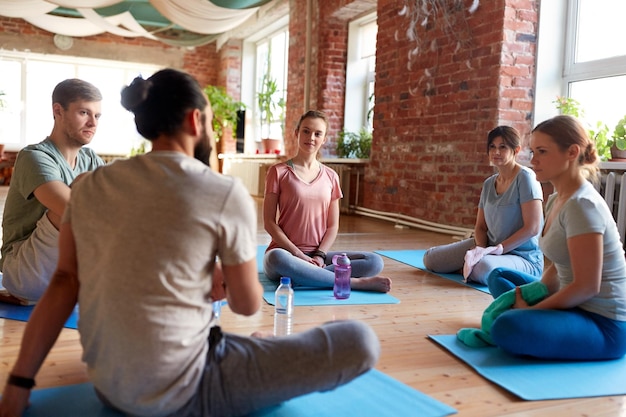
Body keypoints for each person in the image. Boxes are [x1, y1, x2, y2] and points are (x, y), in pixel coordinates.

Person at [0, 69, 380, 417]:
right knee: (359, 340)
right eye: (211, 121)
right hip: (189, 391)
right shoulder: (225, 192)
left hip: (109, 387)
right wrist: (211, 276)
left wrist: (18, 382)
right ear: (195, 120)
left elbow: (64, 283)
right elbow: (247, 304)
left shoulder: (88, 184)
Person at [489, 115, 626, 360]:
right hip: (572, 301)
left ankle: (531, 322)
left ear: (572, 152)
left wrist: (531, 310)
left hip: (604, 324)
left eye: (542, 151)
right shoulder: (556, 198)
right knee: (499, 276)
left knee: (506, 326)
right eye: (532, 152)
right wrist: (533, 297)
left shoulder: (582, 205)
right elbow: (558, 263)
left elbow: (587, 286)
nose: (534, 160)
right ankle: (538, 322)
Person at [0, 79, 105, 305]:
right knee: (85, 189)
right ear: (58, 110)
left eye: (97, 116)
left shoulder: (91, 159)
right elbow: (70, 211)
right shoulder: (34, 156)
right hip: (25, 270)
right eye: (84, 112)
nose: (92, 123)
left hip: (69, 271)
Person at [263, 110, 391, 293]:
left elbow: (332, 226)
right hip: (286, 254)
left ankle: (306, 277)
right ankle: (352, 283)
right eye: (306, 131)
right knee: (276, 258)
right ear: (296, 133)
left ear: (324, 139)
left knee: (374, 261)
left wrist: (320, 256)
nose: (311, 137)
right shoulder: (278, 172)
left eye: (317, 133)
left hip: (317, 255)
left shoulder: (331, 177)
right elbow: (269, 223)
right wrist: (298, 255)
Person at [422, 126, 544, 297]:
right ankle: (469, 267)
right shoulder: (489, 184)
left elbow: (533, 228)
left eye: (503, 147)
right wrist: (480, 249)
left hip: (523, 257)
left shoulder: (526, 178)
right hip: (489, 248)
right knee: (431, 258)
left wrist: (497, 250)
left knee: (483, 267)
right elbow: (480, 227)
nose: (496, 152)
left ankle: (470, 268)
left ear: (516, 150)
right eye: (492, 147)